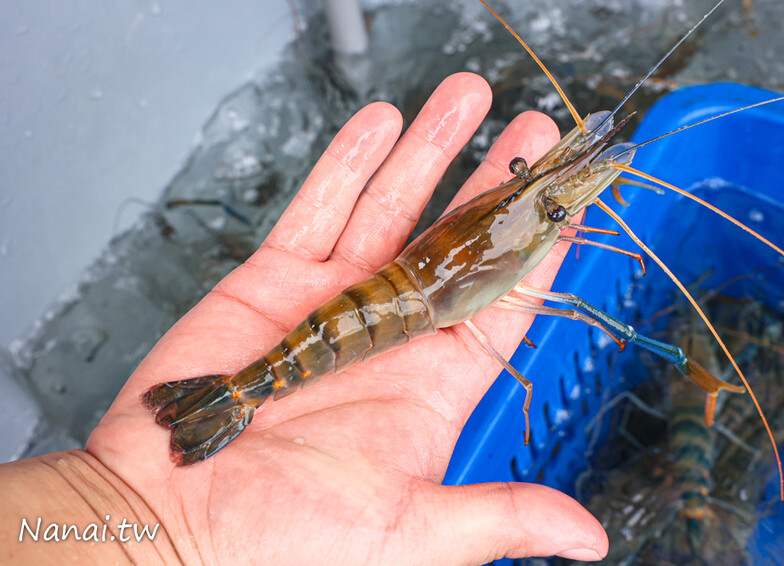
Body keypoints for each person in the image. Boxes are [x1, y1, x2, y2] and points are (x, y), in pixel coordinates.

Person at [1, 73, 607, 564]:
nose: (548, 207)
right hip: (376, 315)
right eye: (532, 190)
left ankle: (235, 392)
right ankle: (235, 395)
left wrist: (116, 502)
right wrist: (136, 517)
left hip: (382, 299)